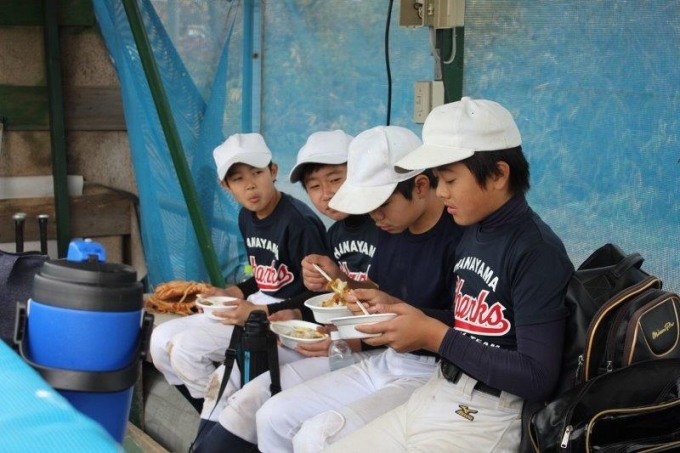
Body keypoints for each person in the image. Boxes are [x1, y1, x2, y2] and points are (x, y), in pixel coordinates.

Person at [323, 97, 575, 452]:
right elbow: (468, 326)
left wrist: (434, 336)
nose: (441, 191)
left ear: (499, 174)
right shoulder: (473, 231)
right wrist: (398, 309)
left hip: (489, 411)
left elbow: (537, 376)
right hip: (439, 391)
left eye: (450, 179)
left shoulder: (536, 250)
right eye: (439, 178)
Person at [254, 125, 465, 452]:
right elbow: (376, 288)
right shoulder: (393, 225)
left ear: (421, 186)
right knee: (272, 415)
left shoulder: (460, 236)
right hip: (386, 359)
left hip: (433, 371)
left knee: (318, 436)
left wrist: (391, 315)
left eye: (381, 203)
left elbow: (467, 327)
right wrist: (337, 279)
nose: (374, 216)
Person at [191, 129, 383, 452]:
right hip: (333, 338)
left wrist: (273, 311)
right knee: (228, 380)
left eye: (336, 179)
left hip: (369, 350)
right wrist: (284, 309)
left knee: (262, 403)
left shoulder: (377, 226)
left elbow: (390, 302)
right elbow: (325, 297)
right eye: (314, 186)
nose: (326, 194)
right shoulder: (335, 233)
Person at [148, 132, 330, 412]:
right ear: (226, 186)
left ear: (273, 171)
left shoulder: (299, 223)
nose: (250, 185)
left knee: (186, 349)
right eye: (237, 179)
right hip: (258, 304)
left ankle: (226, 422)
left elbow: (320, 296)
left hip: (287, 317)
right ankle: (214, 413)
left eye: (257, 172)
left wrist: (259, 312)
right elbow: (266, 273)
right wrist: (235, 291)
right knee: (160, 340)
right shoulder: (247, 216)